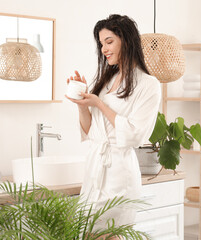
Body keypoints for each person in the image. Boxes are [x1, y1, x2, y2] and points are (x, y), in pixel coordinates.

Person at [66, 14, 161, 236]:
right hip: (95, 169)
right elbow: (91, 132)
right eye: (101, 44)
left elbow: (135, 135)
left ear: (126, 40)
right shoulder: (108, 80)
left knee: (110, 234)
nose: (104, 49)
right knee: (86, 233)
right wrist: (82, 104)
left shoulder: (149, 85)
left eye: (109, 42)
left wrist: (98, 103)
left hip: (120, 174)